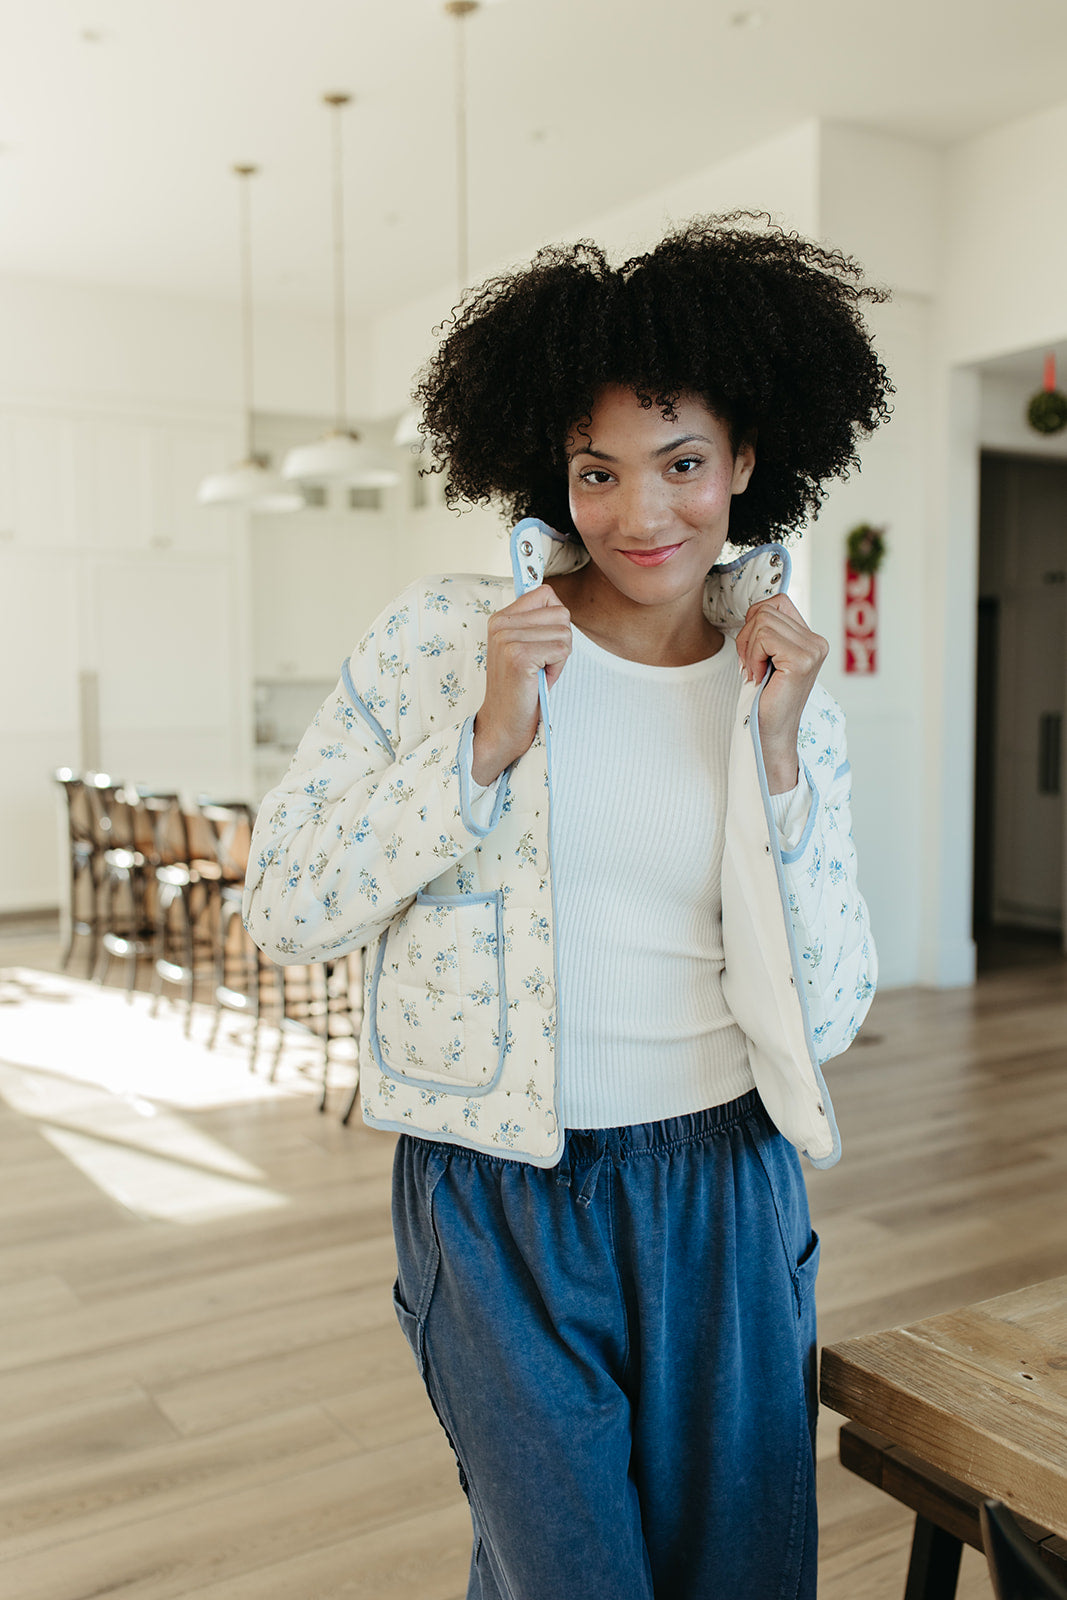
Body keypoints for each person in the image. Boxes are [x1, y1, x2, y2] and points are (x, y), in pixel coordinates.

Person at [243, 213, 891, 1600]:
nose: (642, 514)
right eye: (600, 471)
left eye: (683, 464)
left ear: (748, 463)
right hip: (496, 1202)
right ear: (555, 469)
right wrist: (480, 741)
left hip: (724, 1191)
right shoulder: (444, 639)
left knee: (745, 1577)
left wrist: (777, 761)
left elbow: (832, 1007)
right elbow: (285, 906)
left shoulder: (783, 690)